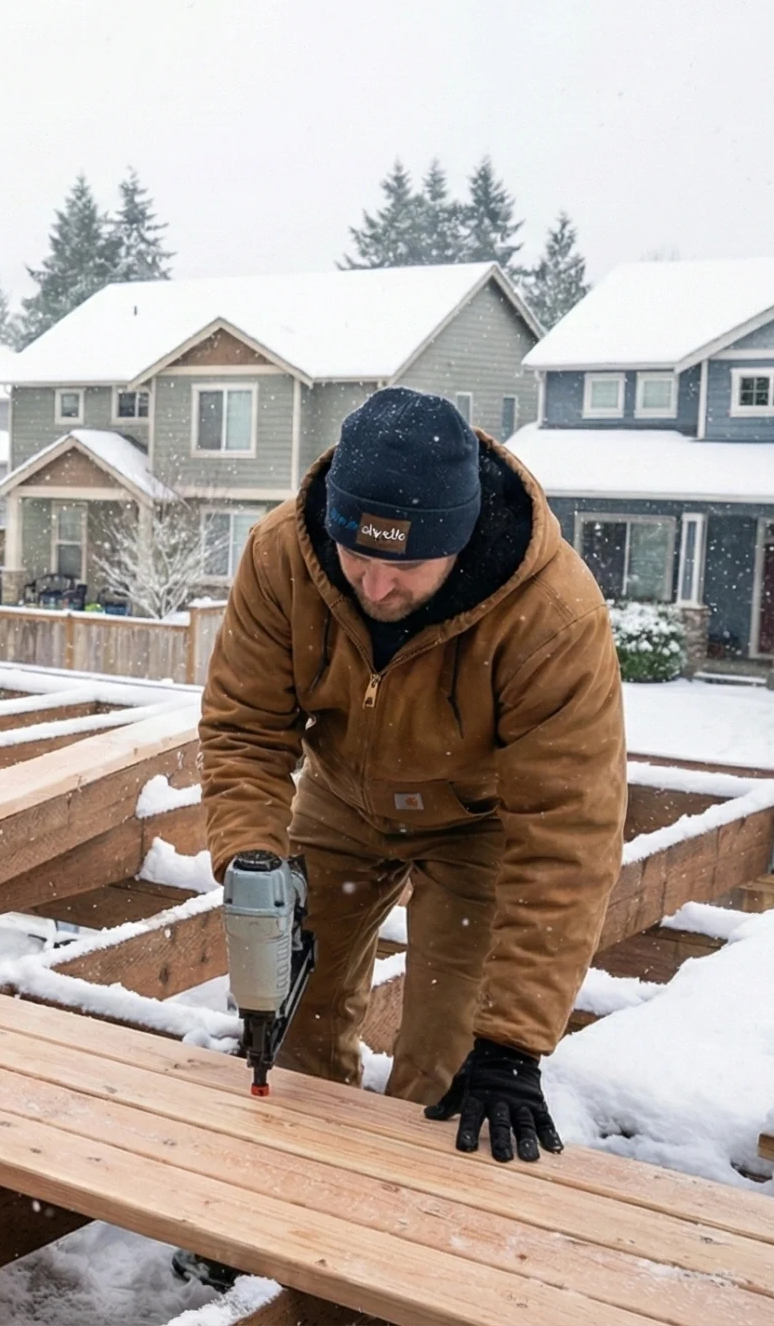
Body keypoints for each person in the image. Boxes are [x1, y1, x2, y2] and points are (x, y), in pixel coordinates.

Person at [201, 386, 627, 1162]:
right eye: (356, 555)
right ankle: (276, 1205)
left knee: (447, 1073)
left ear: (460, 540)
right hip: (340, 798)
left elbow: (569, 832)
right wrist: (252, 861)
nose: (374, 585)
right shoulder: (282, 556)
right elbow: (244, 727)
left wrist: (513, 1041)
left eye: (403, 565)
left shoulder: (553, 617)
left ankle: (390, 1245)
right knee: (293, 1020)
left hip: (478, 822)